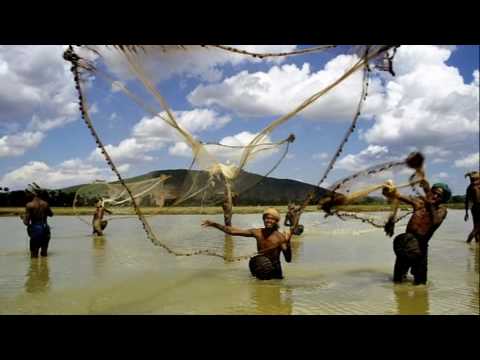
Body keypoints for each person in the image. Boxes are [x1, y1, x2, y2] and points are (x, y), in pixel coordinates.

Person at [382, 179, 450, 285]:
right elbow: (398, 196)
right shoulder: (419, 203)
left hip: (420, 248)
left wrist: (430, 205)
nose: (435, 196)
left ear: (443, 199)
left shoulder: (441, 210)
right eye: (434, 193)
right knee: (397, 281)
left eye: (439, 195)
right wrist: (390, 190)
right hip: (405, 244)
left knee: (420, 284)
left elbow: (435, 221)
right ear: (430, 192)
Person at [202, 208, 292, 280]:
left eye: (272, 219)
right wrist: (215, 224)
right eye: (267, 218)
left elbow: (288, 259)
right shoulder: (257, 232)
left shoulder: (280, 237)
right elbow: (232, 231)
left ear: (276, 221)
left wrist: (288, 244)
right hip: (260, 267)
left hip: (275, 271)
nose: (269, 221)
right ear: (263, 219)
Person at [22, 186, 54, 258]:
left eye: (28, 193)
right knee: (44, 254)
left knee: (34, 256)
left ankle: (34, 269)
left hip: (36, 229)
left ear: (33, 194)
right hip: (46, 228)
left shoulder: (29, 205)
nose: (27, 194)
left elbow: (26, 222)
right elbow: (51, 214)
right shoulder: (45, 204)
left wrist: (23, 217)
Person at [464, 171, 480, 243]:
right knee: (477, 228)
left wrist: (466, 213)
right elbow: (467, 200)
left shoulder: (469, 187)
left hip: (474, 208)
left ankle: (477, 243)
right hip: (477, 207)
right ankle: (468, 241)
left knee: (476, 227)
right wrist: (466, 213)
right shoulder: (474, 187)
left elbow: (467, 201)